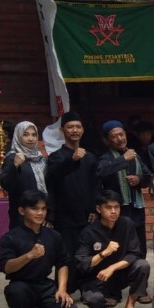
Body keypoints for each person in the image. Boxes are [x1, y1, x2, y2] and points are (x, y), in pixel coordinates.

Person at [0, 189, 82, 308]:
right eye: (34, 209)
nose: (40, 213)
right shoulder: (10, 237)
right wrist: (29, 256)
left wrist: (62, 289)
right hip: (22, 284)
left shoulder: (53, 235)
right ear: (22, 211)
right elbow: (7, 267)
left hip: (45, 286)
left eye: (43, 209)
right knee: (14, 291)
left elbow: (63, 263)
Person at [75, 190, 150, 308]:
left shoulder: (127, 224)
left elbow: (134, 253)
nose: (113, 211)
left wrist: (112, 268)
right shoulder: (88, 232)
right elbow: (82, 263)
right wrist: (103, 253)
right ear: (99, 209)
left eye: (116, 207)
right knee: (93, 299)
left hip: (120, 274)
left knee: (142, 265)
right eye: (108, 208)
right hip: (97, 278)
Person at [46, 111, 100, 267]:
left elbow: (96, 185)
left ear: (83, 130)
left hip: (87, 217)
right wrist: (72, 160)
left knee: (89, 256)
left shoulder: (90, 157)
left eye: (78, 127)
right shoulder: (56, 156)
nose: (74, 130)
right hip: (64, 218)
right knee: (66, 257)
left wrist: (94, 209)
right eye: (70, 127)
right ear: (62, 130)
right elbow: (54, 178)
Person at [97, 120, 153, 267]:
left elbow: (148, 177)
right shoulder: (106, 158)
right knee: (120, 248)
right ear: (107, 140)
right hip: (117, 211)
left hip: (136, 210)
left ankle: (140, 276)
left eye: (121, 134)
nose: (120, 139)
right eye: (114, 136)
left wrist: (139, 179)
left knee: (140, 247)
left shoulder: (135, 156)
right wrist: (123, 159)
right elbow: (101, 173)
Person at [0, 121, 47, 230]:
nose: (30, 139)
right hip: (22, 215)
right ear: (18, 136)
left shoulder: (42, 159)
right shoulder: (12, 158)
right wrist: (15, 166)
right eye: (25, 135)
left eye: (34, 135)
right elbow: (6, 185)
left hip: (43, 213)